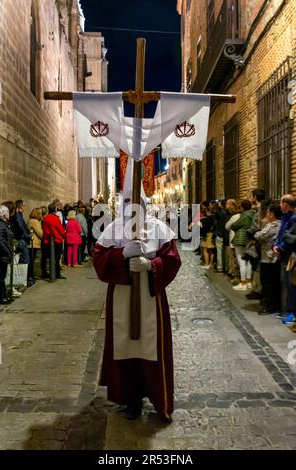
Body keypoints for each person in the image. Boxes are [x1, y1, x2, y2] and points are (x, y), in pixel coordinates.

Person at [93, 163, 181, 422]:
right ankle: (130, 399)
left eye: (137, 202)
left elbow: (173, 260)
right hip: (121, 294)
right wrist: (121, 255)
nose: (133, 207)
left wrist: (151, 265)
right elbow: (99, 260)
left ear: (144, 203)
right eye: (128, 201)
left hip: (150, 297)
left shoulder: (158, 228)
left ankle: (156, 395)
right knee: (125, 346)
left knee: (150, 345)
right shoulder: (113, 229)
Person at [42, 203, 66, 280]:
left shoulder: (46, 218)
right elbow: (60, 230)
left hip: (47, 240)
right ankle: (56, 274)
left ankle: (46, 273)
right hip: (56, 240)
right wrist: (64, 234)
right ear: (55, 210)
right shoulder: (55, 218)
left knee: (47, 258)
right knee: (56, 259)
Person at [0, 205, 14, 304]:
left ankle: (3, 295)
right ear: (3, 214)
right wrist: (8, 252)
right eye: (7, 212)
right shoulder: (0, 224)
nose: (9, 214)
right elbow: (0, 240)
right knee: (0, 277)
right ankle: (1, 297)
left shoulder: (3, 223)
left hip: (4, 255)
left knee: (2, 277)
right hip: (2, 255)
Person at [27, 208, 43, 281]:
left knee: (31, 260)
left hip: (30, 242)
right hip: (34, 243)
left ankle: (30, 275)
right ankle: (30, 276)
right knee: (31, 260)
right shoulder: (35, 222)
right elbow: (40, 233)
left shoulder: (30, 220)